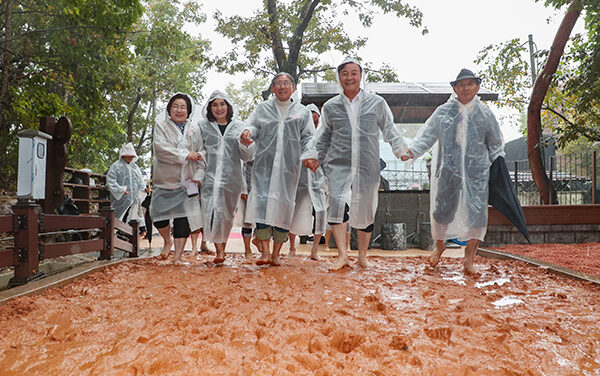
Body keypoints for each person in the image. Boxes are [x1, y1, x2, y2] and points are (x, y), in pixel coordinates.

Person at [303, 58, 408, 270]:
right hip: (338, 163)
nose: (349, 77)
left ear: (360, 76)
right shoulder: (331, 107)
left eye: (354, 73)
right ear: (339, 78)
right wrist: (315, 156)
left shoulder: (376, 103)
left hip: (367, 163)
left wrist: (401, 150)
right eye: (344, 74)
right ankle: (342, 255)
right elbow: (323, 136)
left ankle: (362, 256)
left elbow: (389, 128)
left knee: (366, 207)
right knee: (337, 204)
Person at [401, 69, 505, 275]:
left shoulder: (485, 113)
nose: (466, 88)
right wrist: (412, 152)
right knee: (442, 212)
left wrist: (498, 166)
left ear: (477, 87)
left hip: (476, 174)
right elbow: (427, 135)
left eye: (470, 84)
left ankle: (469, 260)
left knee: (476, 215)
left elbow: (495, 144)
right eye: (461, 84)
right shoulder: (443, 111)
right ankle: (439, 246)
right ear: (455, 88)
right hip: (447, 172)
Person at [240, 72, 318, 266]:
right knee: (262, 206)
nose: (282, 86)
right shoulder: (263, 108)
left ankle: (276, 253)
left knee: (285, 209)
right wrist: (248, 132)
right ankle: (265, 253)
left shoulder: (302, 112)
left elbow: (309, 137)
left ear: (293, 87)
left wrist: (310, 155)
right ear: (273, 88)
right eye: (278, 83)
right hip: (264, 167)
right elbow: (253, 126)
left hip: (290, 170)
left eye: (286, 83)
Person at [199, 90, 255, 264]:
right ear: (209, 108)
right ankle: (219, 251)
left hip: (232, 179)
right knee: (212, 212)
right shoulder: (204, 127)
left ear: (228, 106)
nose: (219, 108)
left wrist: (247, 144)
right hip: (210, 178)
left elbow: (247, 157)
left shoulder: (239, 127)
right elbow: (200, 149)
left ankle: (222, 245)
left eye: (222, 104)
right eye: (214, 105)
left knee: (226, 214)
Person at [151, 93, 205, 266]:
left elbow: (202, 153)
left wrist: (198, 176)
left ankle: (178, 257)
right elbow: (161, 149)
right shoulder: (161, 125)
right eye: (176, 106)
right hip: (165, 180)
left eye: (183, 107)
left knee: (183, 219)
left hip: (188, 182)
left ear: (188, 111)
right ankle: (168, 240)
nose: (179, 110)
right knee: (158, 215)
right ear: (169, 109)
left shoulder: (195, 129)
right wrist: (185, 154)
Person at [288, 103, 327, 260]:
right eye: (310, 120)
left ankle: (315, 251)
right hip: (299, 182)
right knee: (295, 213)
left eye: (316, 121)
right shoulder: (296, 139)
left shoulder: (323, 139)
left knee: (320, 213)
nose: (313, 124)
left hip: (318, 182)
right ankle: (292, 248)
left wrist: (327, 185)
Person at [106, 142, 147, 231]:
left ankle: (127, 237)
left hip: (134, 199)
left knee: (132, 219)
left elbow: (140, 182)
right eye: (128, 155)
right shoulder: (116, 166)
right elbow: (111, 180)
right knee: (118, 218)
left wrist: (144, 189)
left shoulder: (135, 168)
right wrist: (121, 190)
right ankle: (115, 235)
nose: (129, 157)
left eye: (131, 156)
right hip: (121, 199)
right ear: (123, 155)